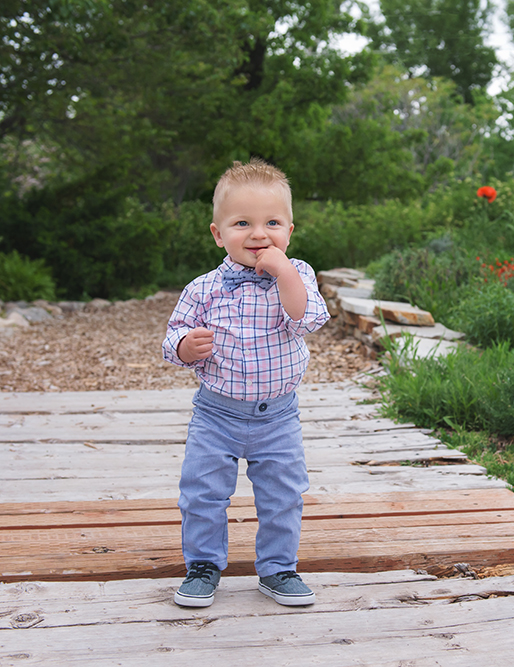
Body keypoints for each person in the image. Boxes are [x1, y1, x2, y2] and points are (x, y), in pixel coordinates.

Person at [162, 157, 329, 608]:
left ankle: (277, 568)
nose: (259, 234)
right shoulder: (203, 288)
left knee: (283, 494)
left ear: (290, 231)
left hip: (278, 416)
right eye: (242, 223)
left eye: (272, 222)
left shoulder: (298, 278)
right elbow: (172, 335)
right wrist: (184, 346)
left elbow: (307, 318)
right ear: (218, 234)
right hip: (216, 413)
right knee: (202, 492)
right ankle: (203, 565)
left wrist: (285, 272)